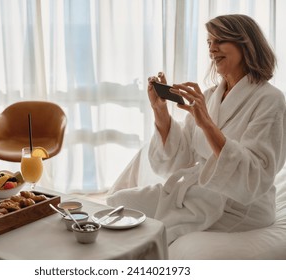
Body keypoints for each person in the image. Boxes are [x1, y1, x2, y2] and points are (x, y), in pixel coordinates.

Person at [107, 14, 286, 244]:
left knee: (149, 232)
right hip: (199, 192)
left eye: (220, 40)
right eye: (209, 42)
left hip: (240, 207)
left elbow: (255, 176)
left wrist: (206, 123)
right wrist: (160, 110)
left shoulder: (270, 100)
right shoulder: (211, 96)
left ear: (245, 44)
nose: (212, 49)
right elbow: (180, 158)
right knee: (117, 204)